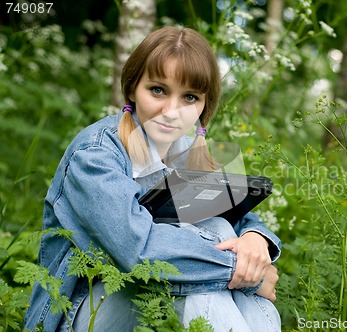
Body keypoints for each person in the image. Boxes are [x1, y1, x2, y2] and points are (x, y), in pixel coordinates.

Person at [24, 26, 281, 332]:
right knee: (208, 272)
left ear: (203, 106)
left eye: (189, 97)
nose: (172, 112)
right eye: (158, 90)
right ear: (133, 88)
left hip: (155, 297)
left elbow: (240, 219)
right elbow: (140, 251)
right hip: (79, 312)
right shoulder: (95, 155)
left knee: (219, 228)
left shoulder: (188, 152)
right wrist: (244, 273)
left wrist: (256, 239)